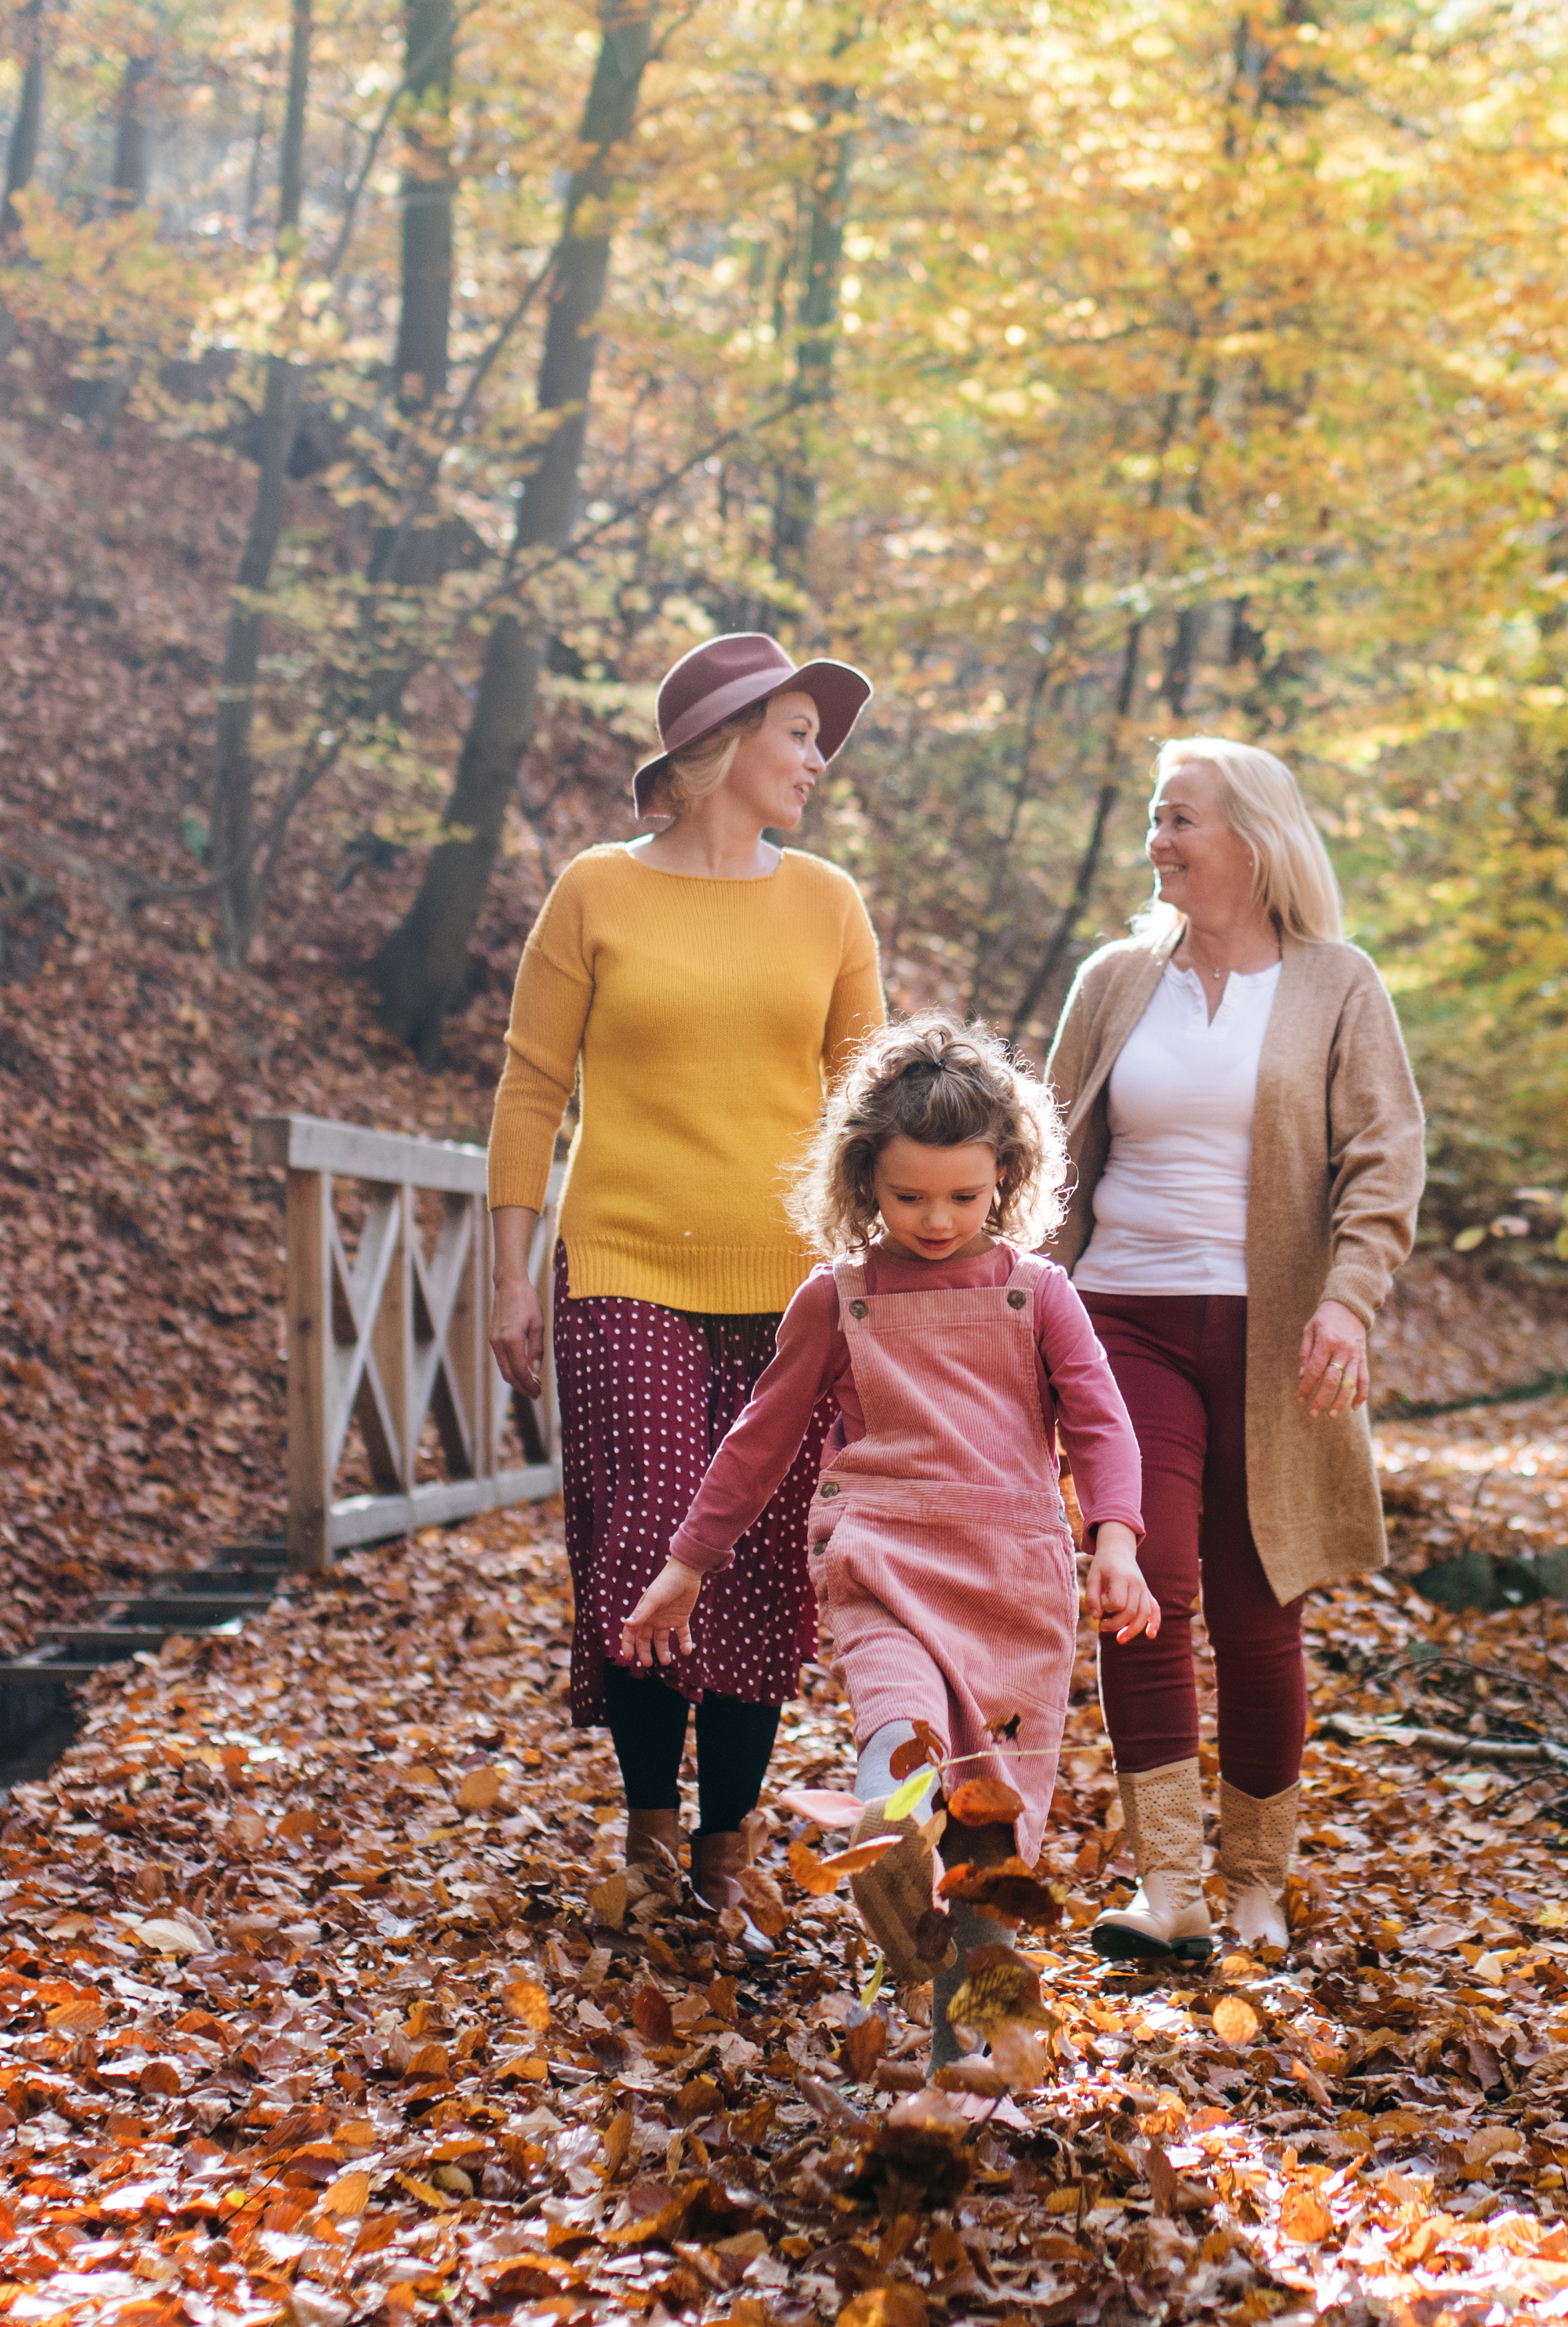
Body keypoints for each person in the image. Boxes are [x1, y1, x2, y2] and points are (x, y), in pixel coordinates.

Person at [623, 1016, 1153, 2014]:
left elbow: (1100, 1424)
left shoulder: (1039, 1294)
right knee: (897, 1735)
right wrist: (688, 1562)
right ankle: (888, 1839)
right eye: (908, 1196)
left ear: (1005, 1175)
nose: (938, 1219)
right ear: (865, 1179)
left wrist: (1115, 1541)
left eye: (964, 1195)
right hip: (881, 1561)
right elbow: (760, 1439)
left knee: (991, 1822)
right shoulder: (838, 1298)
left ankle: (961, 2020)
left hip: (1013, 1579)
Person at [484, 630, 883, 1923]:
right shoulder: (596, 891)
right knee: (652, 1535)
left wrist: (889, 1287)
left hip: (791, 1285)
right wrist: (506, 1276)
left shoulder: (827, 902)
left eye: (818, 740)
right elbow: (531, 1089)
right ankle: (649, 1825)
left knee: (760, 1549)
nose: (816, 760)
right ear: (721, 746)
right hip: (621, 1264)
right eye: (798, 734)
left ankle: (727, 1841)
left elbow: (866, 1107)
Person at [1049, 736, 1423, 1961]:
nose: (1157, 843)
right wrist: (1013, 1306)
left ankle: (1255, 1882)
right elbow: (1045, 1159)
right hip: (1122, 1319)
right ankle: (1170, 1890)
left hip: (1275, 1337)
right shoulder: (1113, 980)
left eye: (1179, 821)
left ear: (1252, 841)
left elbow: (1383, 1157)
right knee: (1140, 1587)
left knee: (1262, 1611)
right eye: (1155, 821)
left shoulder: (1336, 983)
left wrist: (1347, 1300)